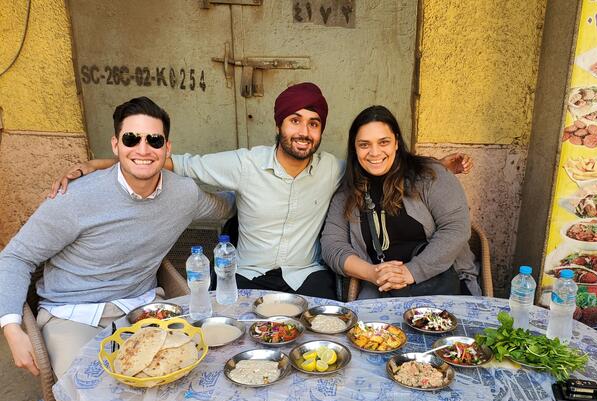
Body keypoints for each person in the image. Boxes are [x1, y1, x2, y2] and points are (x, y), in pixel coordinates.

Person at [50, 83, 473, 300]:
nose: (303, 131)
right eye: (294, 120)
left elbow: (380, 159)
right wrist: (100, 164)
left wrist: (435, 166)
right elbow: (172, 159)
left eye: (313, 122)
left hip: (308, 277)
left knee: (321, 356)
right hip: (246, 274)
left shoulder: (335, 170)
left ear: (321, 130)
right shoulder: (245, 163)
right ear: (279, 124)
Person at [0, 96, 233, 401]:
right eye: (132, 138)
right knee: (92, 388)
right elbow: (15, 257)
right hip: (72, 312)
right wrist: (11, 329)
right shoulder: (75, 198)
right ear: (115, 145)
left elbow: (223, 207)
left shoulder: (183, 193)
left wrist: (260, 190)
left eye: (154, 141)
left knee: (191, 364)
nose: (143, 149)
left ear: (167, 148)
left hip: (142, 305)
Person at [320, 105, 480, 298]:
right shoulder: (348, 193)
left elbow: (456, 229)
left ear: (396, 142)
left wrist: (410, 272)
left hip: (442, 283)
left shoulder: (431, 175)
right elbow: (332, 245)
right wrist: (373, 273)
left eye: (383, 142)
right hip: (380, 289)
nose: (374, 152)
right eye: (364, 144)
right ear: (354, 148)